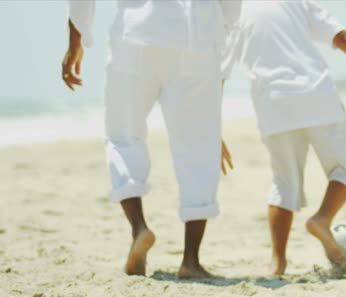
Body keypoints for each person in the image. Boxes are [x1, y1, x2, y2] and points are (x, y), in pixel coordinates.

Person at [222, 0, 346, 275]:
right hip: (316, 95)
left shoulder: (234, 12)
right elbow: (344, 38)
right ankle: (322, 218)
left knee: (284, 184)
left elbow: (219, 73)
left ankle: (277, 262)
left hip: (273, 102)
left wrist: (212, 129)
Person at [62, 0, 240, 278]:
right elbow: (231, 9)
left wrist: (76, 40)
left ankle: (139, 228)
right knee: (199, 146)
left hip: (136, 33)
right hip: (199, 34)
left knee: (123, 135)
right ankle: (191, 261)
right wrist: (218, 35)